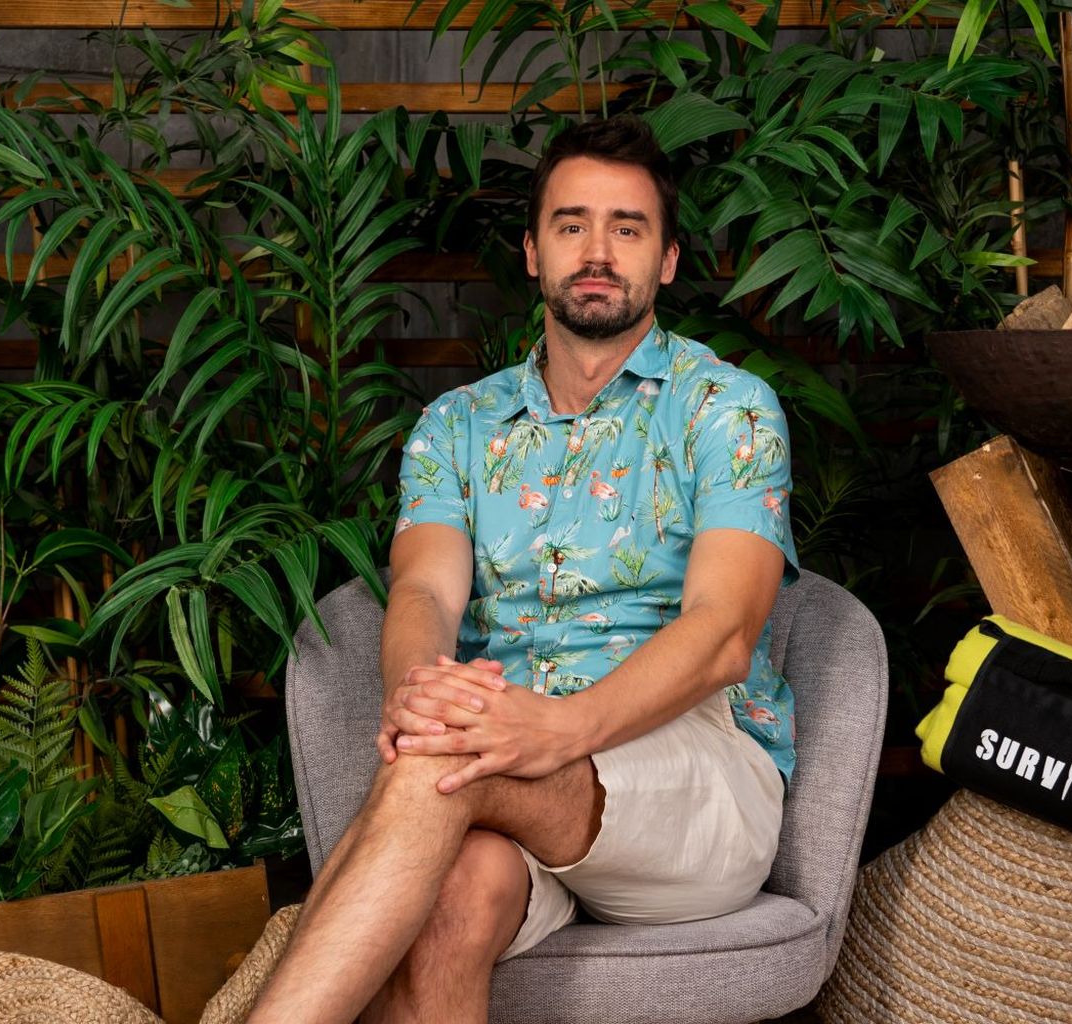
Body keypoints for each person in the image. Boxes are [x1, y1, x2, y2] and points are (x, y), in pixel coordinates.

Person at [247, 115, 798, 1024]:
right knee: (450, 897)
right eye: (571, 224)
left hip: (692, 775)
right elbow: (423, 589)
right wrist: (417, 693)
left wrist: (560, 729)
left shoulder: (727, 410)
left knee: (445, 763)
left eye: (628, 228)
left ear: (666, 260)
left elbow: (725, 634)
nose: (597, 251)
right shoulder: (458, 425)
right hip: (504, 759)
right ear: (535, 250)